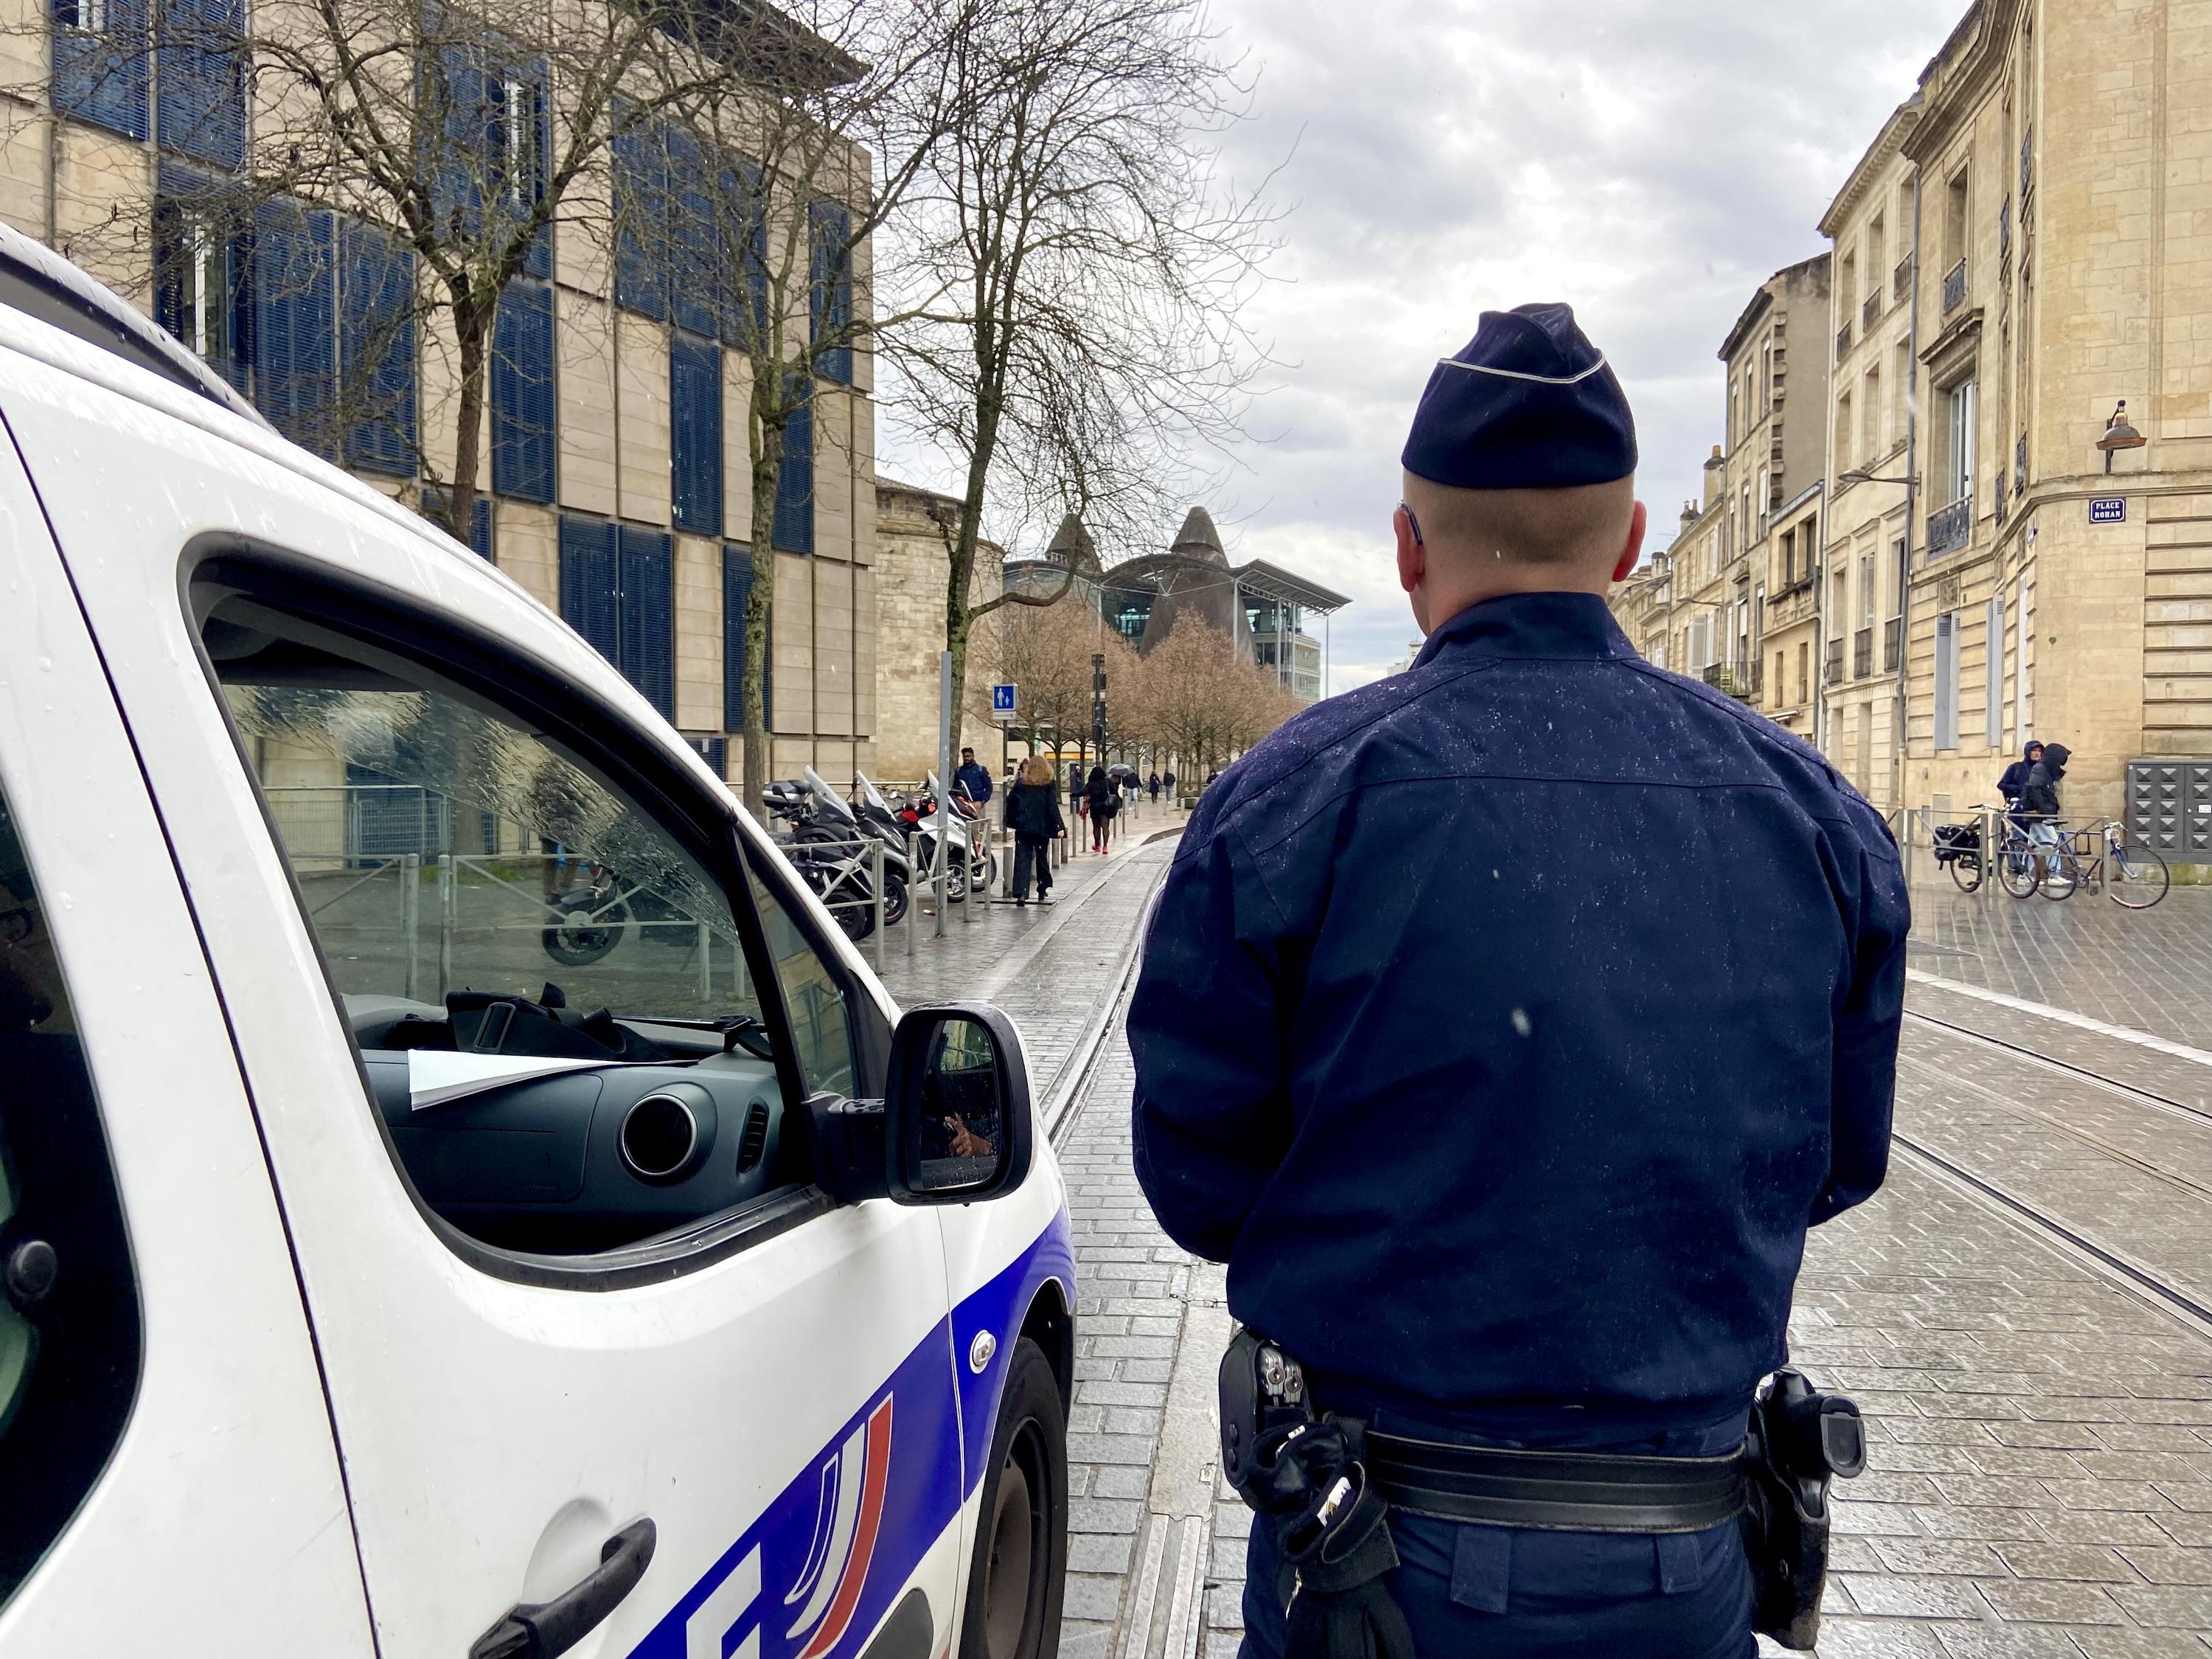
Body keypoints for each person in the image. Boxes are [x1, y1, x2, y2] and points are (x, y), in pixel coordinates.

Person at [1127, 302, 1907, 1659]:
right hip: (1685, 1547)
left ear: (1408, 548)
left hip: (1373, 1553)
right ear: (1628, 541)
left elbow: (1198, 1182)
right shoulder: (1815, 815)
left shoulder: (1289, 804)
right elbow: (1838, 1160)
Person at [1003, 757, 1065, 905]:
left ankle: (1021, 893)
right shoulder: (1048, 785)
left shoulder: (1020, 784)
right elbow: (1052, 807)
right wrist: (1059, 826)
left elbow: (1010, 802)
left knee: (1022, 858)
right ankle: (1042, 888)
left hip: (1024, 827)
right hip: (1042, 827)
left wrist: (1012, 820)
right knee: (1042, 857)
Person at [2021, 741, 2071, 876]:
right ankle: (2055, 874)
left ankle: (2025, 875)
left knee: (2033, 845)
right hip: (2040, 815)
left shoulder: (2045, 770)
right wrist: (2043, 808)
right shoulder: (2041, 769)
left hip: (2041, 814)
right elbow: (2033, 788)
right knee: (2054, 843)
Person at [1997, 742, 2042, 817]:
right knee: (2018, 829)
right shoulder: (2016, 768)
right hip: (2018, 811)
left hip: (2037, 812)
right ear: (2028, 752)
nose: (2037, 753)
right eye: (2034, 750)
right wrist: (2020, 788)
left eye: (2039, 751)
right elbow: (2001, 785)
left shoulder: (2042, 770)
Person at [1084, 764, 1119, 854]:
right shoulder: (1107, 782)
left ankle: (1097, 846)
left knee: (1096, 827)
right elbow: (1115, 792)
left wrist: (1073, 795)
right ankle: (1105, 847)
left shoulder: (1091, 783)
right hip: (1105, 807)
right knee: (1105, 827)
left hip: (1094, 807)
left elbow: (1084, 792)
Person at [953, 745, 993, 809]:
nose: (966, 758)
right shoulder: (959, 771)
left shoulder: (981, 770)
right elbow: (955, 787)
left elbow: (989, 787)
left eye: (969, 756)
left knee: (977, 819)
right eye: (965, 756)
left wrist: (984, 800)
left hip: (977, 802)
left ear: (973, 756)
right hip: (963, 803)